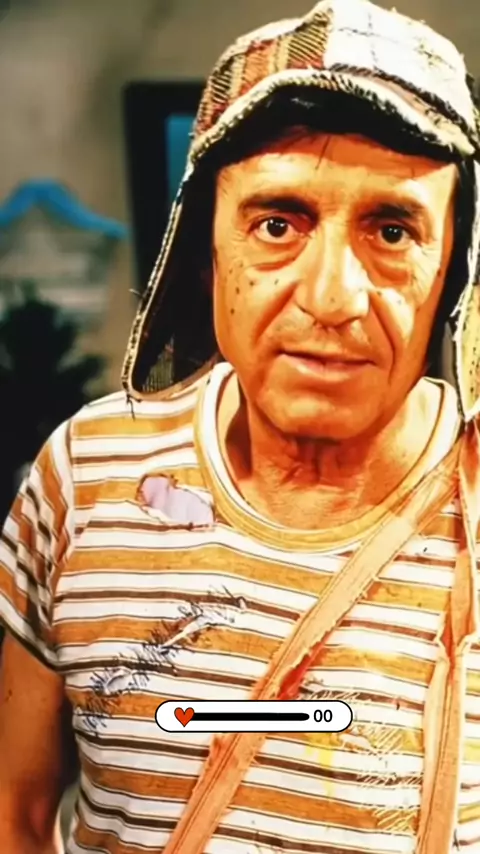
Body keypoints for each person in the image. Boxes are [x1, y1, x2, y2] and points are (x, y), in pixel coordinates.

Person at [1, 1, 480, 852]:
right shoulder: (84, 478)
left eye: (391, 229)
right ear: (205, 251)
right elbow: (17, 812)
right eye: (278, 223)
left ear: (451, 270)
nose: (331, 298)